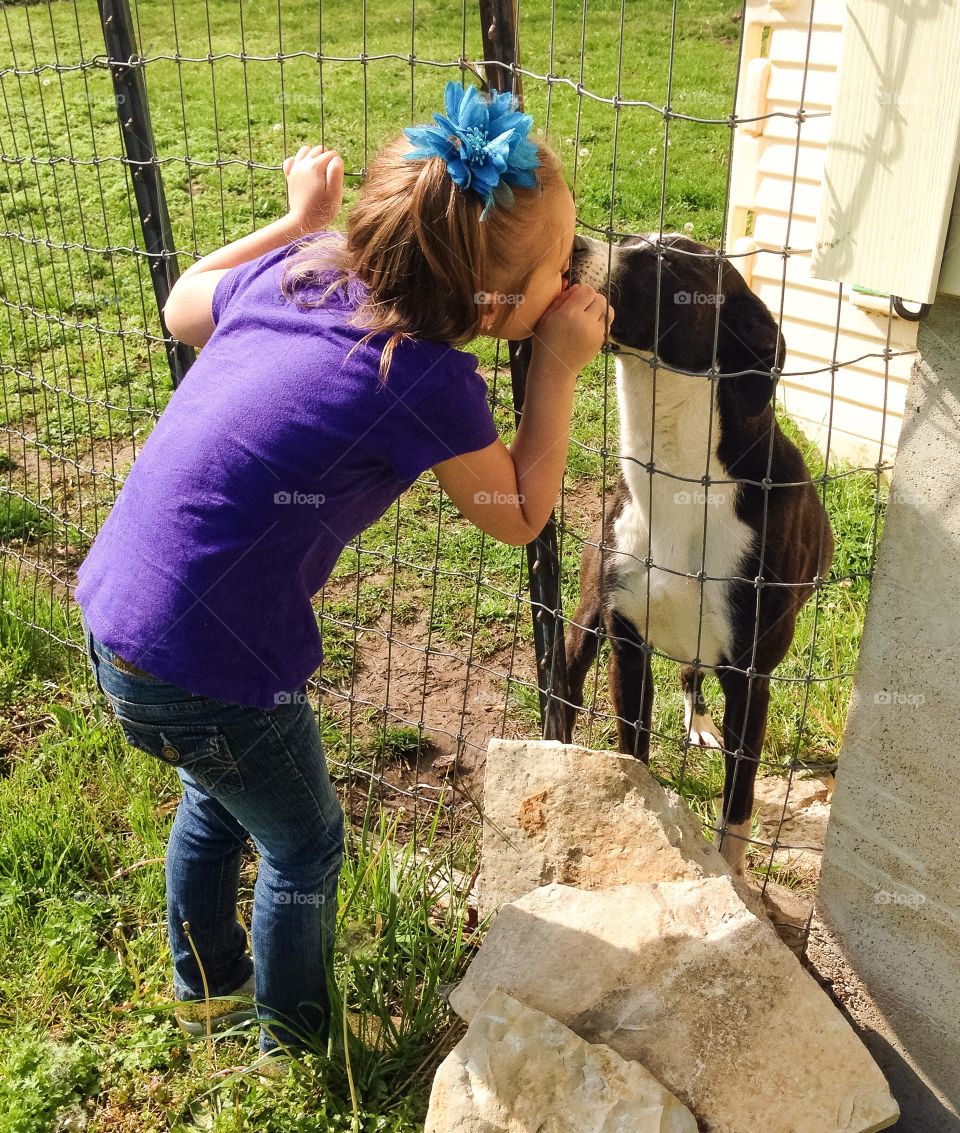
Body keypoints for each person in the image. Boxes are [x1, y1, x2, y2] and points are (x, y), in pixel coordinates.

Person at [74, 80, 613, 1067]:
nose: (572, 278)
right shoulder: (426, 377)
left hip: (117, 619)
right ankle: (293, 1036)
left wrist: (295, 220)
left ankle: (207, 990)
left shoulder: (306, 269)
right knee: (304, 843)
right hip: (210, 667)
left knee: (220, 794)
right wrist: (562, 365)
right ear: (494, 303)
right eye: (555, 269)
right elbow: (520, 513)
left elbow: (180, 300)